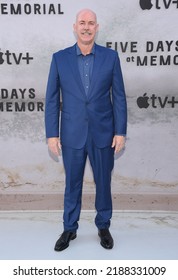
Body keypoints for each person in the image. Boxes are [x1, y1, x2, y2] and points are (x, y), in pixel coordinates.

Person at [45, 8, 127, 251]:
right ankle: (69, 228)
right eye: (82, 22)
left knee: (103, 182)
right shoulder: (59, 58)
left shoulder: (110, 57)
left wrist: (120, 131)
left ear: (97, 27)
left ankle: (103, 225)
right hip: (71, 133)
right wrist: (52, 134)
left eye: (91, 23)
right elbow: (51, 99)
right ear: (74, 27)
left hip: (103, 132)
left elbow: (119, 97)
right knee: (72, 183)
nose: (86, 27)